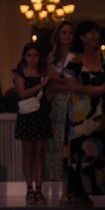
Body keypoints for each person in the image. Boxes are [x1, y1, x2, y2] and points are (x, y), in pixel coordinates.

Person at [61, 20, 105, 207]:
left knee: (104, 152)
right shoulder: (74, 58)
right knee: (78, 154)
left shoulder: (104, 55)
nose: (96, 36)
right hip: (79, 115)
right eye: (91, 33)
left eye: (97, 32)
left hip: (100, 113)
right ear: (83, 37)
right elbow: (69, 82)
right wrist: (89, 91)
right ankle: (78, 194)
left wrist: (102, 89)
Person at [13, 42, 51, 205]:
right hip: (27, 115)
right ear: (24, 57)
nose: (33, 59)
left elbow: (49, 93)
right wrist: (40, 85)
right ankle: (29, 188)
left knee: (40, 152)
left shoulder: (44, 73)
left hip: (41, 114)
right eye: (29, 55)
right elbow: (22, 93)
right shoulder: (20, 74)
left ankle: (39, 189)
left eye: (36, 55)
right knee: (28, 152)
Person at [44, 21, 74, 191]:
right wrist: (60, 80)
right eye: (64, 32)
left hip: (72, 101)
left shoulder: (75, 57)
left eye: (70, 33)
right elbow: (50, 78)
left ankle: (69, 185)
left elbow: (72, 82)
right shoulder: (51, 57)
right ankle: (55, 183)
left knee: (69, 143)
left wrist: (60, 81)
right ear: (58, 35)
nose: (67, 36)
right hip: (55, 103)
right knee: (55, 144)